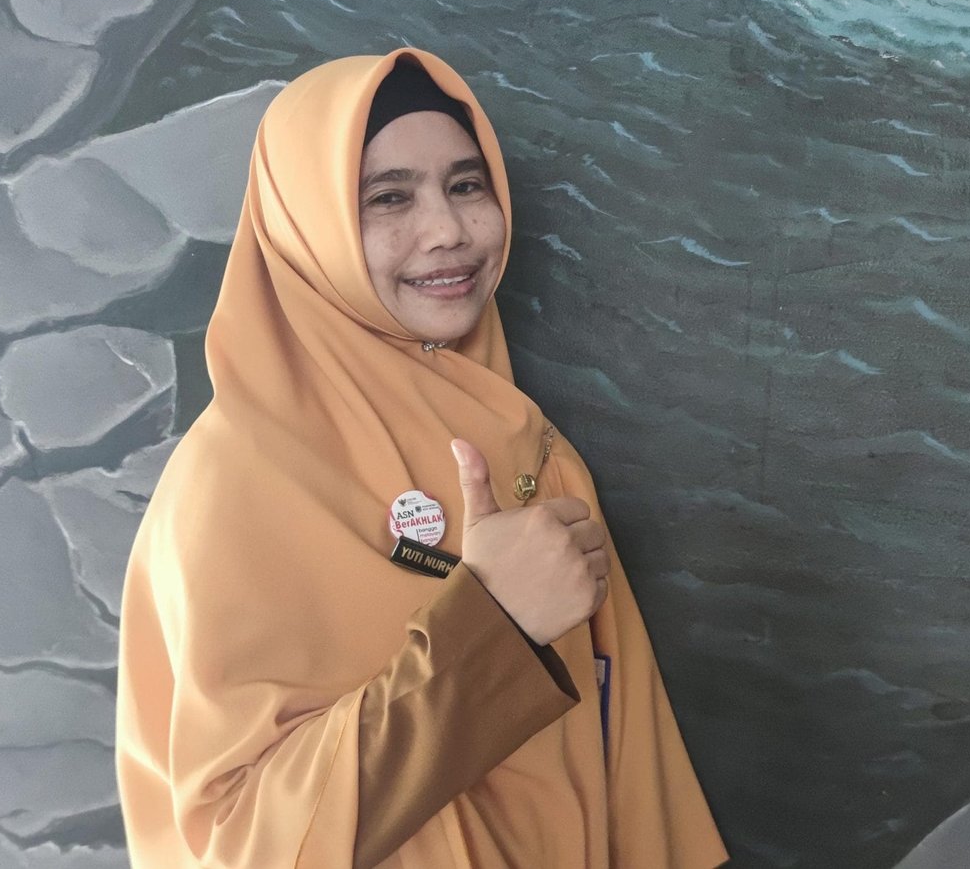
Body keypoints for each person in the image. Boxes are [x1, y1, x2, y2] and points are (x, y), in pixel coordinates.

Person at [115, 46, 728, 868]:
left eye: (466, 185)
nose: (447, 231)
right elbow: (240, 844)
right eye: (388, 197)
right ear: (309, 227)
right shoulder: (235, 483)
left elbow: (623, 760)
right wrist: (493, 626)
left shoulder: (528, 448)